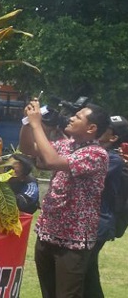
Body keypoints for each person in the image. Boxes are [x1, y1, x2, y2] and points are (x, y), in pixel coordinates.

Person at [20, 99, 110, 298]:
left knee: (66, 295)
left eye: (77, 117)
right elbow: (28, 148)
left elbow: (51, 161)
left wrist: (37, 124)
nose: (70, 118)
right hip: (48, 233)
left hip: (73, 241)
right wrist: (27, 123)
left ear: (91, 128)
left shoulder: (96, 154)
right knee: (48, 293)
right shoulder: (66, 145)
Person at [84, 115, 128, 297]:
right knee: (87, 271)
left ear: (113, 137)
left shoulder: (113, 160)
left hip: (99, 223)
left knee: (83, 271)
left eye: (105, 127)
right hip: (92, 222)